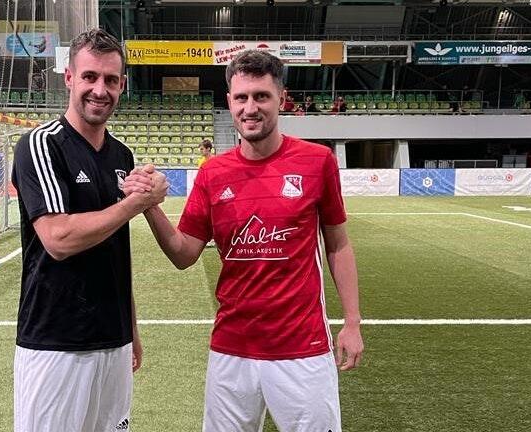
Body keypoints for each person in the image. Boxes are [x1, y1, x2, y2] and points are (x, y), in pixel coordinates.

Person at [126, 49, 363, 432]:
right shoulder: (213, 174)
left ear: (281, 99)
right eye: (241, 98)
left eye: (261, 96)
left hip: (302, 348)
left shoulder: (317, 162)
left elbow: (338, 244)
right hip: (232, 349)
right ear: (230, 103)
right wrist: (150, 206)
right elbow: (184, 253)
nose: (250, 108)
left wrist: (352, 323)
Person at [10, 28, 168, 432]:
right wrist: (136, 203)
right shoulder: (41, 145)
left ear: (123, 86)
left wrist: (129, 328)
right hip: (55, 341)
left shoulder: (121, 155)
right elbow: (58, 239)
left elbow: (116, 247)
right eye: (90, 77)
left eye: (111, 80)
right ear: (69, 77)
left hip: (112, 342)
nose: (100, 90)